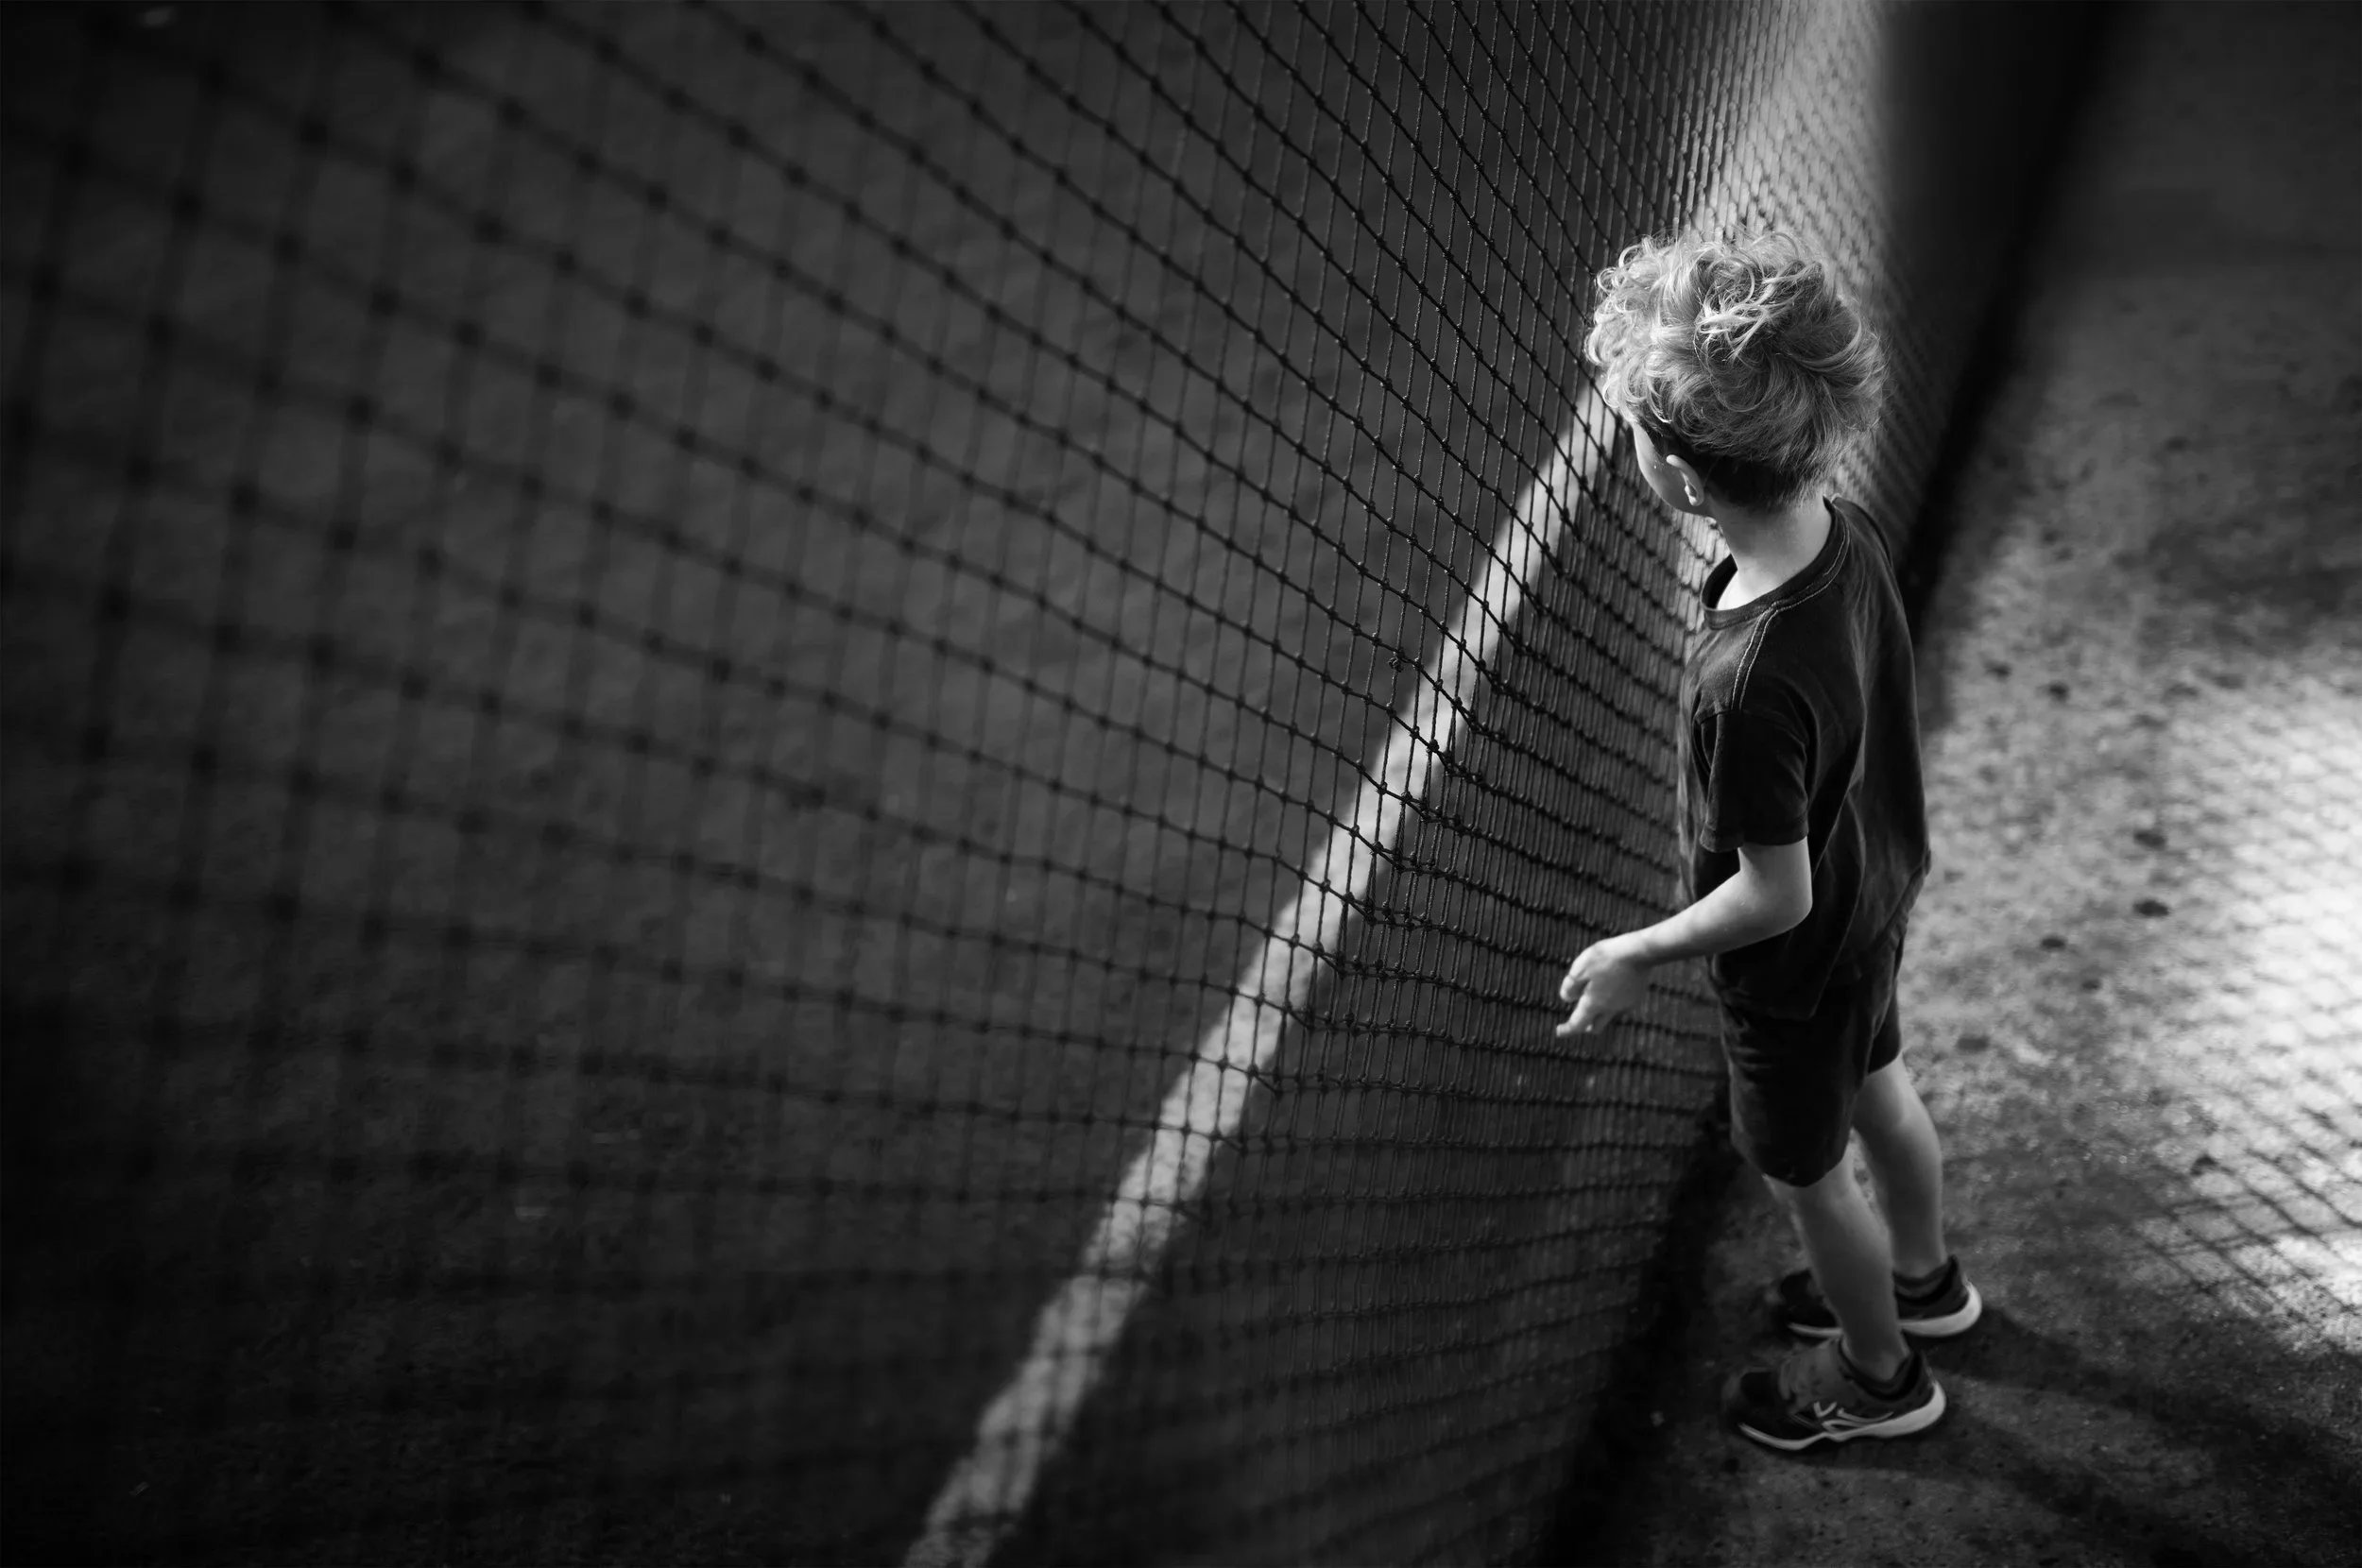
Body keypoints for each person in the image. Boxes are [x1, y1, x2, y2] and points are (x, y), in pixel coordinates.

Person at [1554, 227, 1982, 1451]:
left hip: (1797, 968)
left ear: (1684, 479)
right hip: (1878, 900)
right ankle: (1926, 1282)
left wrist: (1640, 949)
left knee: (1808, 1176)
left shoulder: (1740, 687)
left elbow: (1771, 895)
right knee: (1884, 1089)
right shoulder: (1842, 535)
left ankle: (1881, 1375)